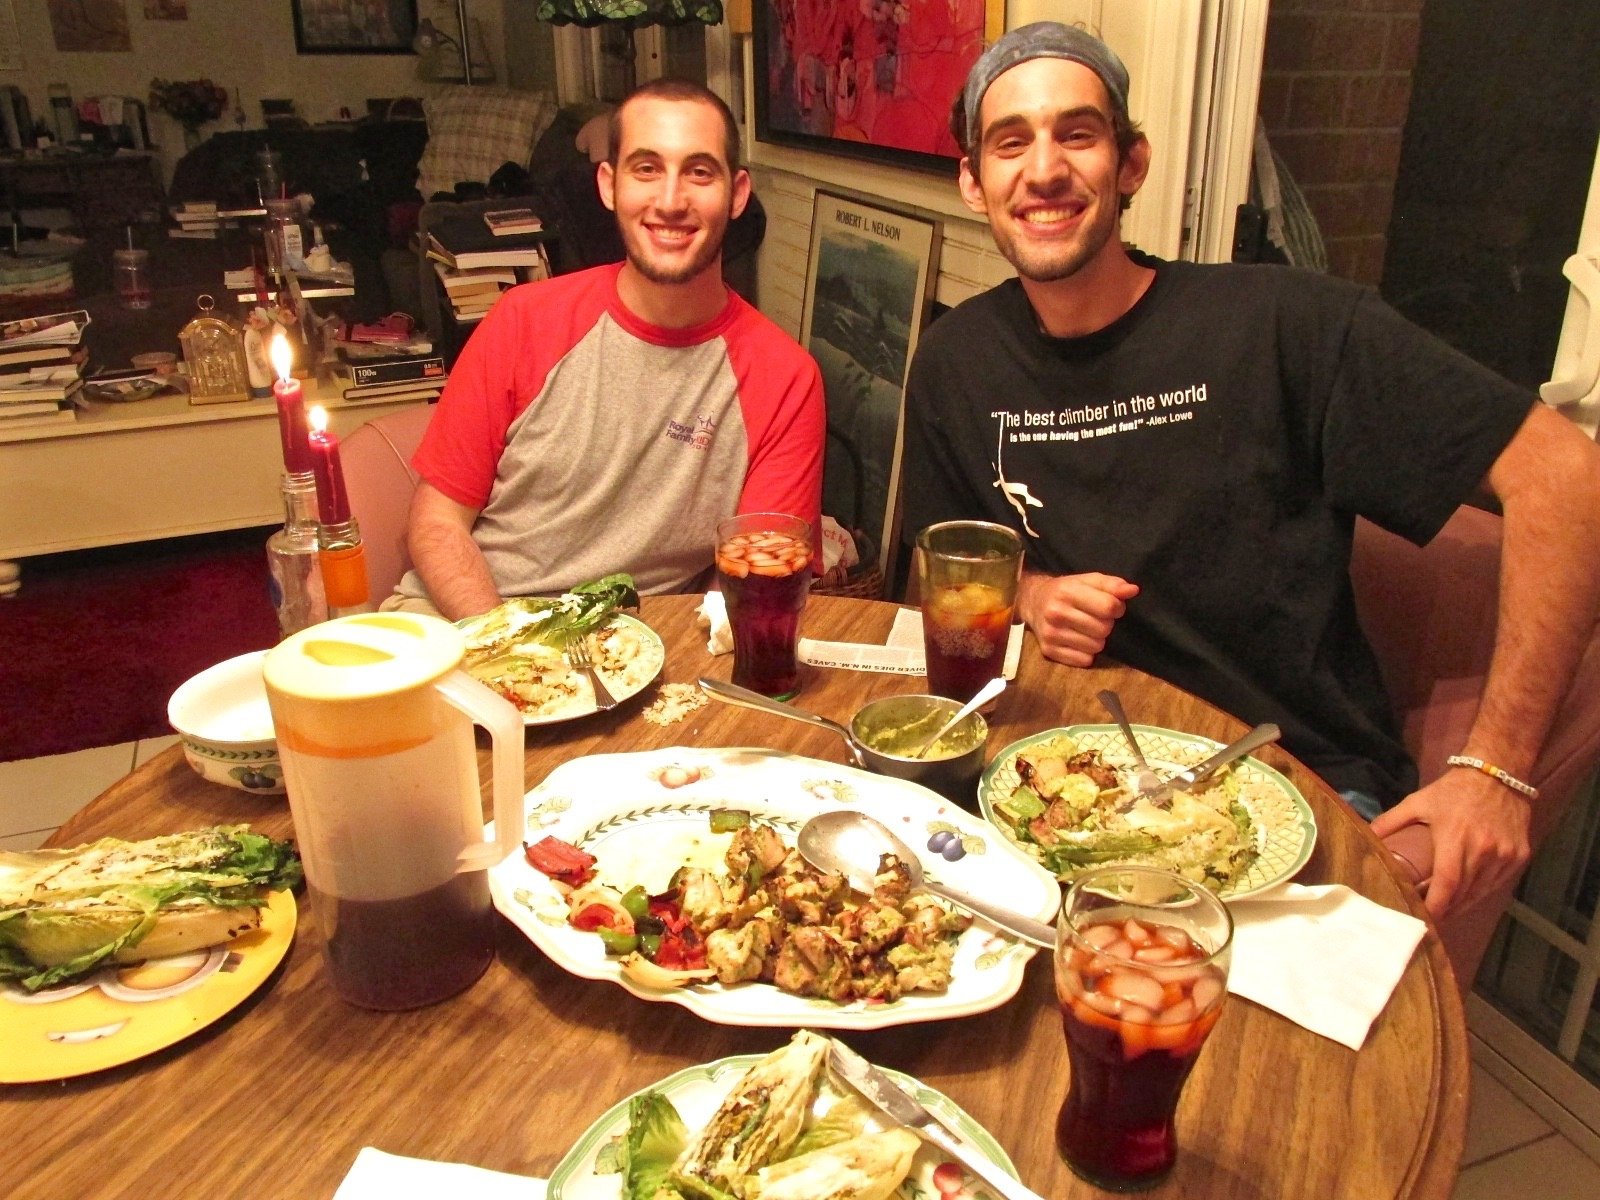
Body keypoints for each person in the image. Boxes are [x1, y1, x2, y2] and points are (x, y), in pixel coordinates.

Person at [903, 22, 1600, 978]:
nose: (1046, 169)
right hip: (1060, 785)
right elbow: (938, 567)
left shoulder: (1286, 323)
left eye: (1079, 133)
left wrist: (1499, 774)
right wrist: (1029, 592)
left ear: (1132, 163)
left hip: (1289, 793)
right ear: (974, 182)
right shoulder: (955, 360)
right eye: (1010, 141)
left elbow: (1566, 474)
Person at [393, 79, 825, 619]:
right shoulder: (523, 320)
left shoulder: (785, 379)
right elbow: (436, 523)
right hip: (465, 620)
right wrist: (507, 649)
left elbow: (751, 587)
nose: (671, 201)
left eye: (699, 172)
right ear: (609, 185)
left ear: (737, 194)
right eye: (646, 169)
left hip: (636, 647)